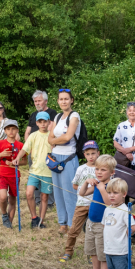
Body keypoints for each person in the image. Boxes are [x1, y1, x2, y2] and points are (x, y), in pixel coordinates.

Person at [79, 154, 118, 269]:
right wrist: (86, 182)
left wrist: (102, 189)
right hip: (91, 223)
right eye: (97, 169)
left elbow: (110, 204)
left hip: (103, 225)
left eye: (103, 170)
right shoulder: (97, 184)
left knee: (102, 253)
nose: (99, 172)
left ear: (112, 172)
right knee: (93, 251)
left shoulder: (111, 186)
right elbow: (82, 193)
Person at [47, 89, 81, 234]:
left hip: (68, 158)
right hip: (55, 158)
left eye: (66, 99)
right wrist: (55, 140)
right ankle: (62, 223)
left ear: (71, 100)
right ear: (58, 101)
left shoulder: (74, 116)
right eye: (61, 99)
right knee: (58, 192)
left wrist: (55, 141)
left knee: (69, 192)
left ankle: (73, 224)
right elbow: (49, 137)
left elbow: (68, 137)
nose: (63, 101)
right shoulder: (57, 117)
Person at [60, 140, 100, 263]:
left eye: (93, 153)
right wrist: (84, 189)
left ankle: (92, 254)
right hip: (82, 204)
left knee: (93, 230)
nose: (91, 156)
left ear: (98, 153)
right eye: (88, 154)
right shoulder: (81, 169)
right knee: (74, 230)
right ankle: (68, 251)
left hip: (96, 204)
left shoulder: (101, 169)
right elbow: (74, 185)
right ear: (84, 155)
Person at [14, 111, 53, 229]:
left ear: (49, 122)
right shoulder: (33, 135)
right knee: (29, 193)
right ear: (37, 123)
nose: (43, 124)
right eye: (40, 122)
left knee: (44, 197)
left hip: (48, 172)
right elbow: (25, 149)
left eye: (45, 121)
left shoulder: (52, 136)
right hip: (34, 171)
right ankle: (34, 218)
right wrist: (17, 158)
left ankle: (41, 221)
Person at [101, 178, 135, 269]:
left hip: (120, 249)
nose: (111, 195)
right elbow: (104, 225)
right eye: (109, 192)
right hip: (109, 248)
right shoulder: (107, 209)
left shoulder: (124, 210)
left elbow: (133, 227)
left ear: (124, 194)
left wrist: (124, 236)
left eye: (115, 193)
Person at [0, 120, 24, 228]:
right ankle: (4, 214)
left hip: (15, 175)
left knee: (12, 200)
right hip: (3, 174)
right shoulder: (0, 143)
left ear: (17, 130)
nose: (11, 131)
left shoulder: (20, 145)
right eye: (8, 129)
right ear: (5, 131)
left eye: (13, 129)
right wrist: (1, 154)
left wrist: (16, 162)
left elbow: (25, 161)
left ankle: (9, 223)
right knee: (3, 197)